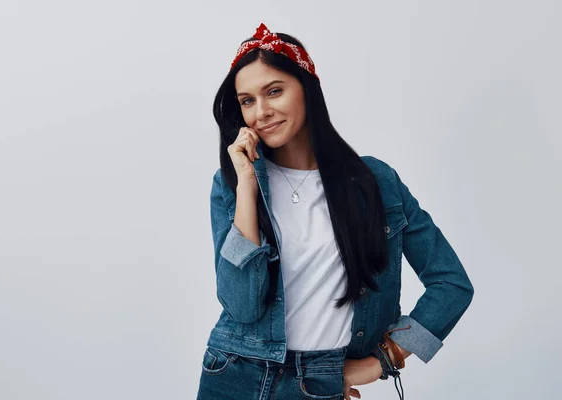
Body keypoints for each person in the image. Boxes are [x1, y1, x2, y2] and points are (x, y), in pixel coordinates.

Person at [196, 23, 474, 400]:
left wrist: (384, 359)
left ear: (307, 89)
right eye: (247, 101)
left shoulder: (377, 181)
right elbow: (242, 306)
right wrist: (246, 185)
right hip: (233, 374)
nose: (261, 112)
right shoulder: (231, 185)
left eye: (274, 91)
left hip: (323, 382)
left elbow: (452, 284)